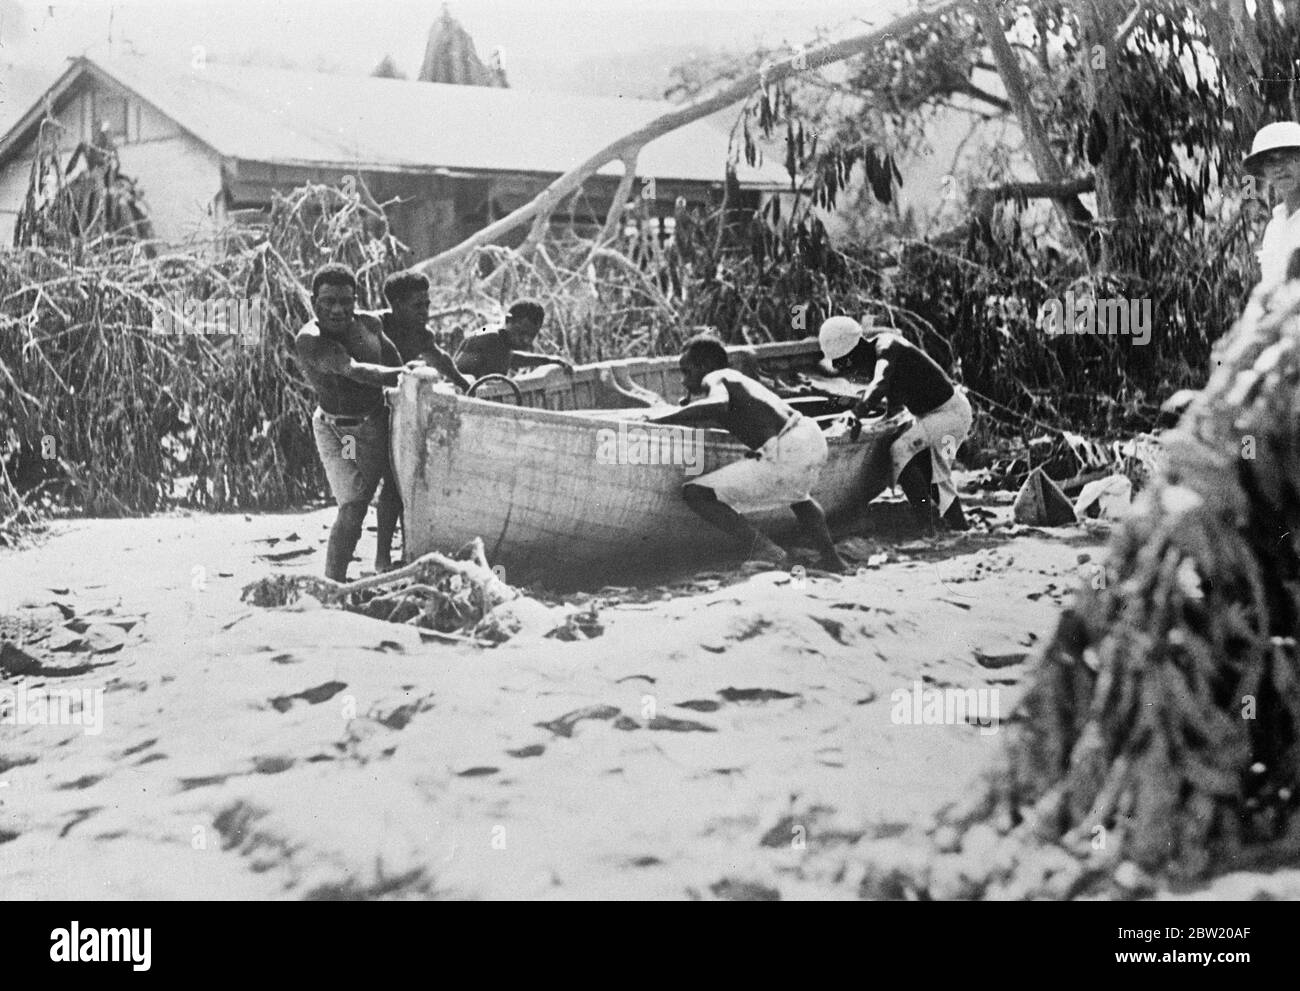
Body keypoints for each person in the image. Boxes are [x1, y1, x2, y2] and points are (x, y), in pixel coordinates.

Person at [646, 334, 848, 572]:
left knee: (694, 493)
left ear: (705, 367)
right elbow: (738, 416)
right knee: (799, 497)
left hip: (788, 446)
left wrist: (663, 417)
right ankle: (832, 559)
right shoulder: (736, 380)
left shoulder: (715, 377)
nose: (683, 380)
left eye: (687, 371)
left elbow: (718, 404)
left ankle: (766, 549)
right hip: (809, 436)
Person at [295, 263, 419, 582]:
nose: (337, 310)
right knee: (353, 506)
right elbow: (357, 371)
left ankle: (383, 562)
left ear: (356, 299)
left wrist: (417, 370)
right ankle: (332, 582)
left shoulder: (369, 325)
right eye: (328, 302)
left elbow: (395, 362)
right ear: (313, 302)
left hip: (374, 423)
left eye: (345, 301)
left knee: (393, 486)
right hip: (340, 435)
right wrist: (409, 374)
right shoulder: (310, 340)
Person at [818, 315, 972, 532]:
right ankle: (955, 526)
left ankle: (927, 527)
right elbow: (895, 395)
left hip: (948, 415)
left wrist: (856, 413)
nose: (848, 367)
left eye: (847, 361)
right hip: (937, 415)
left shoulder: (887, 345)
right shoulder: (877, 355)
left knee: (902, 451)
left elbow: (880, 382)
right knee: (930, 470)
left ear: (855, 349)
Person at [370, 270, 473, 570]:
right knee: (391, 486)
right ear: (397, 305)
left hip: (406, 414)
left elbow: (439, 358)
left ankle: (407, 553)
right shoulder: (376, 326)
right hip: (376, 413)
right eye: (418, 306)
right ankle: (382, 558)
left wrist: (466, 386)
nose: (425, 312)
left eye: (427, 304)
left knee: (408, 483)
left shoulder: (420, 334)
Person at [1244, 122, 1300, 293]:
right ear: (1263, 170)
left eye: (1288, 158)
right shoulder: (1275, 227)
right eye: (1270, 162)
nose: (1279, 168)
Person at [454, 299, 574, 378]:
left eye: (531, 335)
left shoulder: (500, 341)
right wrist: (549, 360)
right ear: (508, 320)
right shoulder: (492, 338)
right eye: (521, 333)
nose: (526, 340)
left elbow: (510, 358)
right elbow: (504, 361)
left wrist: (549, 360)